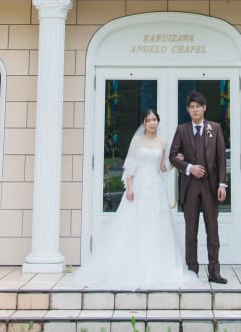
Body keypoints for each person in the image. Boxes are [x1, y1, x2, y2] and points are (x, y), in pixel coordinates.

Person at [72, 109, 203, 290]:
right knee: (134, 225)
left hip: (156, 188)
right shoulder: (137, 141)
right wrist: (130, 187)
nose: (151, 123)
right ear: (143, 123)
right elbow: (130, 165)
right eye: (148, 120)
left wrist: (175, 162)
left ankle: (158, 267)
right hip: (139, 186)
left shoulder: (163, 143)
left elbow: (163, 167)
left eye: (154, 119)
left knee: (156, 226)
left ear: (158, 121)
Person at [168, 91, 227, 283]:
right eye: (192, 107)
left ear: (204, 108)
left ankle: (214, 271)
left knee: (213, 229)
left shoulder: (215, 128)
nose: (195, 109)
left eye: (198, 106)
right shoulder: (182, 129)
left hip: (210, 187)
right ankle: (192, 270)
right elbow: (172, 156)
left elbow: (220, 159)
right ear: (188, 110)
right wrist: (189, 168)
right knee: (190, 231)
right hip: (190, 187)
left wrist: (222, 184)